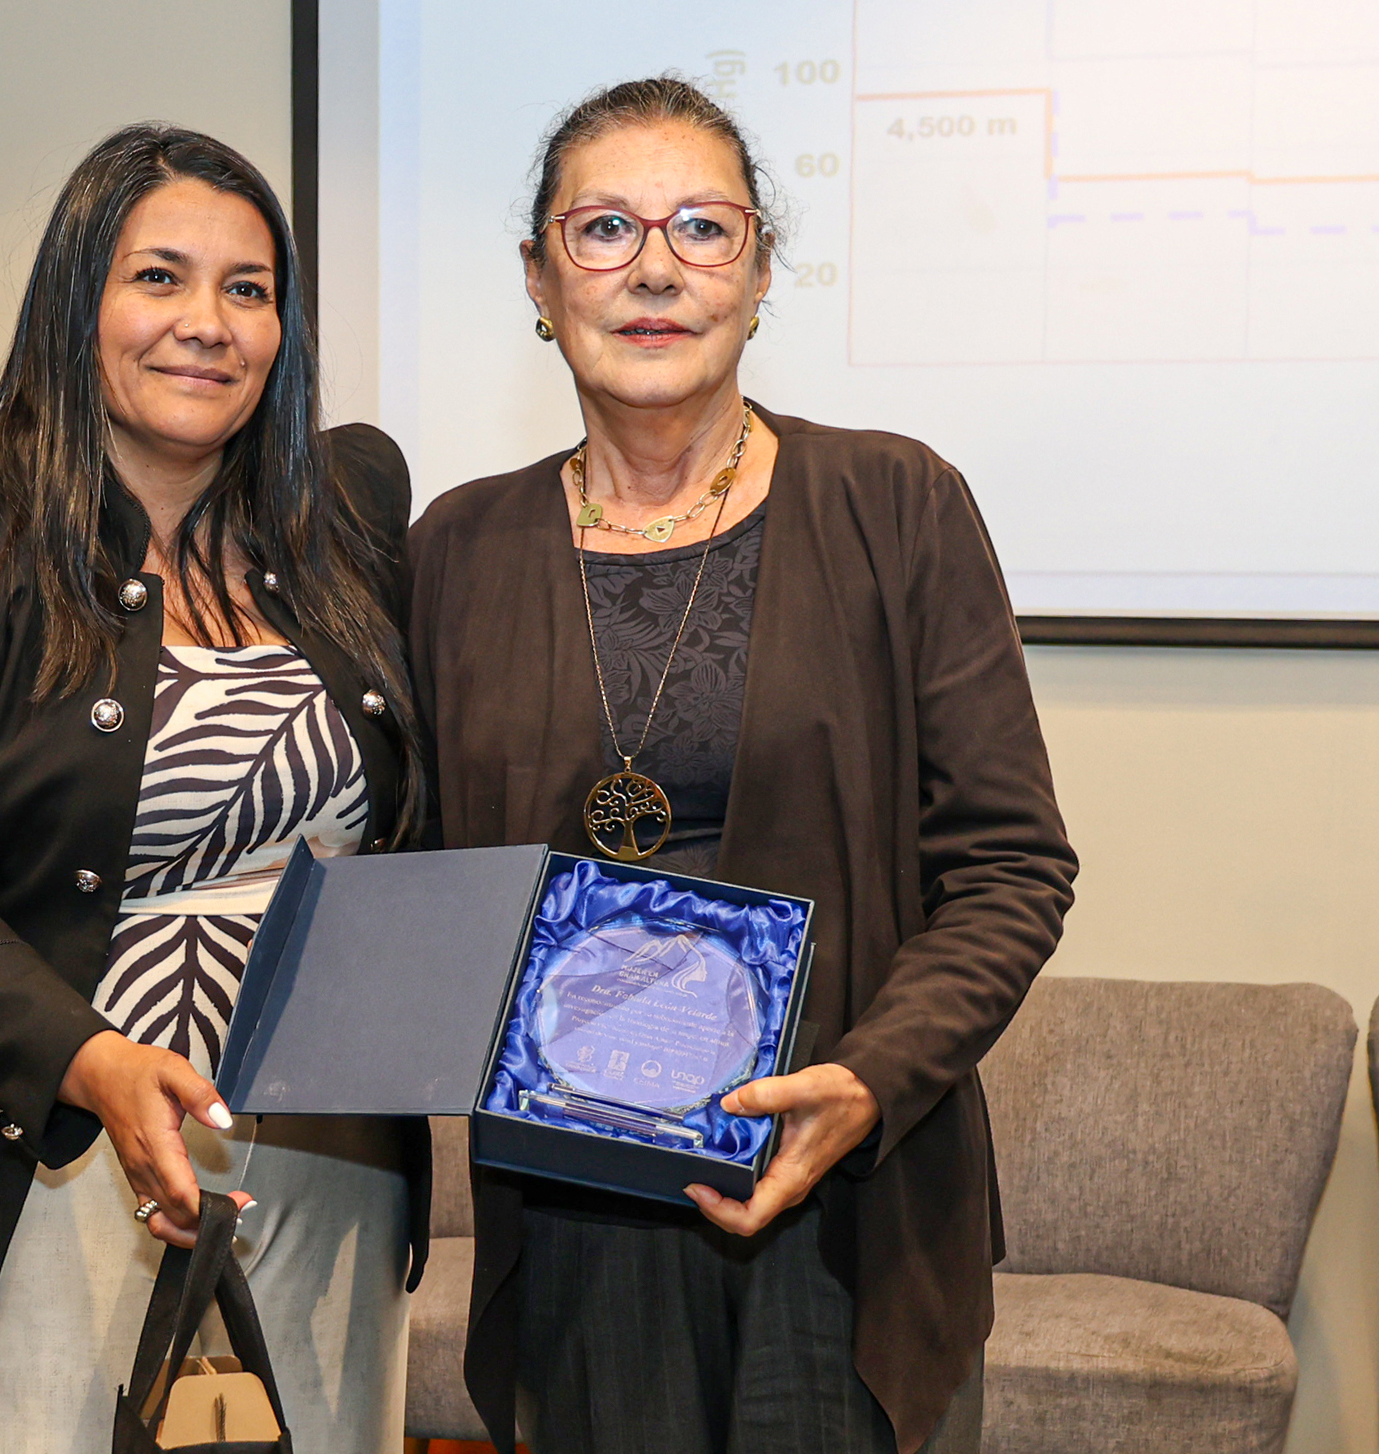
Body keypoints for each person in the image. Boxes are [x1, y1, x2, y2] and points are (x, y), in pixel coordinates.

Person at [406, 78, 1078, 1454]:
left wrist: (871, 1079)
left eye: (702, 227)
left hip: (848, 1194)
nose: (654, 268)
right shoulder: (454, 552)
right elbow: (412, 877)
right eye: (603, 228)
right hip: (578, 1215)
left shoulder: (897, 502)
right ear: (538, 276)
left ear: (760, 273)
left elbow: (1011, 866)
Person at [0, 124, 427, 1454]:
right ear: (79, 303)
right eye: (159, 277)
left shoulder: (349, 508)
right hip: (38, 1145)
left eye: (248, 289)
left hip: (326, 1157)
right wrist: (100, 1065)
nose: (208, 322)